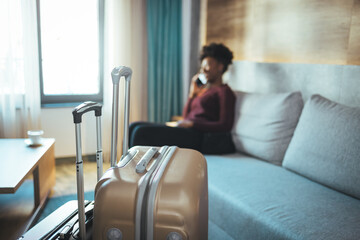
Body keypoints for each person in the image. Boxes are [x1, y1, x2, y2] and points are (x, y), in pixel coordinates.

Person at [129, 43, 236, 154]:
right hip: (187, 131)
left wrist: (193, 124)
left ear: (220, 67)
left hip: (199, 136)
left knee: (140, 132)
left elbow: (225, 125)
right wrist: (192, 95)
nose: (203, 70)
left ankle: (136, 169)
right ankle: (128, 165)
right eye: (202, 67)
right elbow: (186, 117)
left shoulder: (225, 92)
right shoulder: (204, 91)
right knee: (132, 126)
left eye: (207, 66)